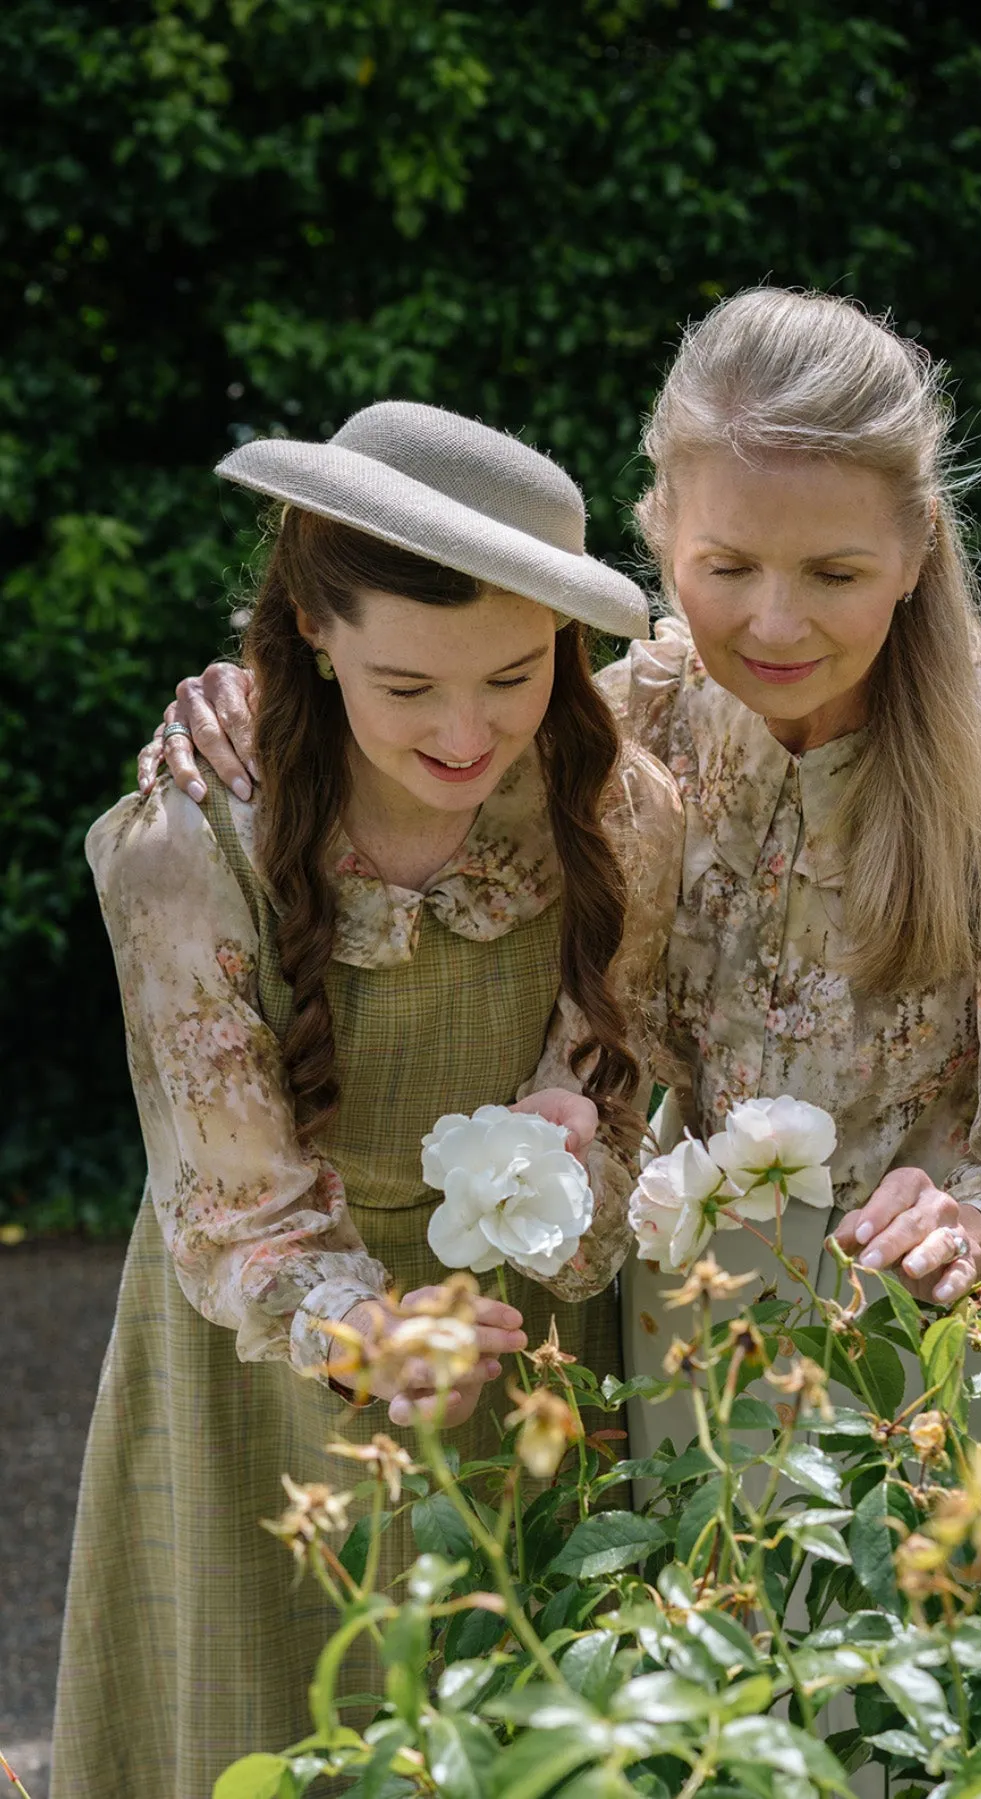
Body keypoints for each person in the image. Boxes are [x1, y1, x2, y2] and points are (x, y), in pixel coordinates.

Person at [148, 291, 981, 1456]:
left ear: (918, 545)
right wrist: (254, 698)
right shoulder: (624, 730)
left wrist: (975, 1222)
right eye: (727, 564)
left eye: (834, 571)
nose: (775, 620)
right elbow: (407, 698)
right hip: (681, 1344)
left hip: (925, 1357)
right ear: (658, 532)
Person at [54, 402, 682, 1799]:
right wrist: (364, 1327)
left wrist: (570, 1136)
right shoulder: (189, 842)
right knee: (275, 1729)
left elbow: (611, 1083)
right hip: (265, 1371)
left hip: (522, 1345)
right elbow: (232, 1200)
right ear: (314, 632)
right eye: (409, 687)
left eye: (513, 677)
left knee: (518, 1727)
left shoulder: (619, 810)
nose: (467, 731)